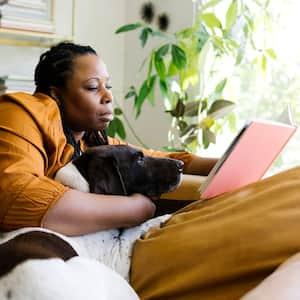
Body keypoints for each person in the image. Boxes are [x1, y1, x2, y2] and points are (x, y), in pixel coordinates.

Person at [1, 42, 300, 300]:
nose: (107, 96)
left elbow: (162, 158)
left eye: (108, 86)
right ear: (55, 95)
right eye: (93, 87)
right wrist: (135, 209)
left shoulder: (91, 142)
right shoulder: (22, 111)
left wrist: (235, 155)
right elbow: (16, 196)